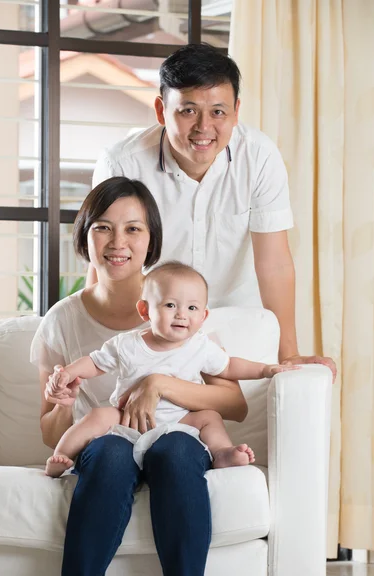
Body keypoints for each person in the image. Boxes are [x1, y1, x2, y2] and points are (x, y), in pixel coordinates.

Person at [33, 176, 247, 576]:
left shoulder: (180, 305)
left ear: (151, 240)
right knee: (110, 455)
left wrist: (159, 384)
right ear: (85, 235)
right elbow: (49, 431)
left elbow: (234, 403)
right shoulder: (60, 319)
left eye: (133, 228)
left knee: (177, 450)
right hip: (108, 440)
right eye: (103, 227)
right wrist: (64, 403)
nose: (118, 242)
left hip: (174, 437)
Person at [89, 43, 337, 382]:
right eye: (188, 111)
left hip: (237, 324)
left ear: (236, 111)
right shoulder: (121, 162)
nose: (204, 128)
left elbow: (274, 263)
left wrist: (289, 354)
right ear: (162, 111)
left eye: (218, 112)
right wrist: (90, 337)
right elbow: (105, 258)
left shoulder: (259, 156)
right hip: (152, 326)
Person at [45, 261, 300, 479]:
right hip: (127, 419)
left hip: (180, 421)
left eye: (192, 308)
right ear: (145, 310)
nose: (181, 315)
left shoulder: (201, 346)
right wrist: (67, 373)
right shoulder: (127, 344)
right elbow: (94, 362)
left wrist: (266, 369)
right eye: (170, 306)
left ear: (203, 316)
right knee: (97, 416)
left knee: (209, 416)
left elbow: (230, 366)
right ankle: (61, 457)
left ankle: (222, 453)